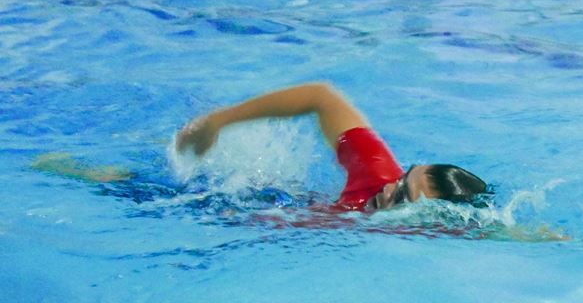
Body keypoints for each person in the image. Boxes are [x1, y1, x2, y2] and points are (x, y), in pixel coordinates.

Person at [175, 82, 488, 212]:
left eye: (404, 195)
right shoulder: (378, 176)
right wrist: (217, 121)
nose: (390, 188)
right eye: (403, 178)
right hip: (240, 205)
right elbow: (320, 96)